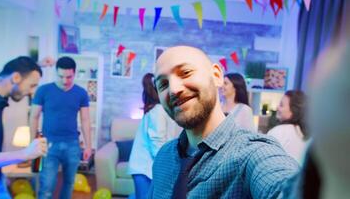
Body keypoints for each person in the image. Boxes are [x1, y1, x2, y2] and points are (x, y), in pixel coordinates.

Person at [149, 46, 299, 198]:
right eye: (163, 84)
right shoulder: (164, 156)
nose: (174, 89)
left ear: (216, 75)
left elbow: (282, 185)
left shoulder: (251, 154)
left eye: (186, 73)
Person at [30, 56, 92, 199]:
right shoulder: (43, 91)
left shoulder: (81, 93)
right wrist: (32, 142)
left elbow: (85, 119)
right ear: (56, 73)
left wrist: (88, 146)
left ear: (74, 73)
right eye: (61, 76)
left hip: (73, 145)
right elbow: (34, 117)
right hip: (49, 145)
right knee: (46, 187)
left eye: (69, 77)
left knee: (69, 184)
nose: (65, 81)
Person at [0, 56, 48, 199]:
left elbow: (15, 73)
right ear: (16, 77)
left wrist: (36, 66)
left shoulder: (0, 94)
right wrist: (24, 154)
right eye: (32, 85)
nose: (32, 92)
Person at [128, 73, 181, 199]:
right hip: (144, 168)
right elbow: (157, 143)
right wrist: (169, 166)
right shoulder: (158, 111)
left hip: (144, 167)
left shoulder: (160, 109)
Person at [267, 90, 309, 164]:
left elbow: (265, 160)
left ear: (294, 110)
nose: (277, 108)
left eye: (281, 105)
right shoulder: (309, 136)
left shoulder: (280, 131)